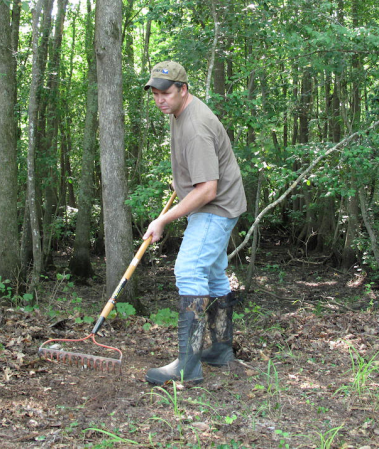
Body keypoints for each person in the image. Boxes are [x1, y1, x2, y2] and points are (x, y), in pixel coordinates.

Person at [142, 61, 247, 385]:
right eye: (155, 93)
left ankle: (188, 365)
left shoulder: (196, 126)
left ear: (183, 89)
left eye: (166, 93)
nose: (160, 99)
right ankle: (219, 349)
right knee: (214, 273)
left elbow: (208, 189)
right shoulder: (178, 112)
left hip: (217, 207)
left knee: (188, 270)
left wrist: (162, 220)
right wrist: (182, 185)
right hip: (214, 202)